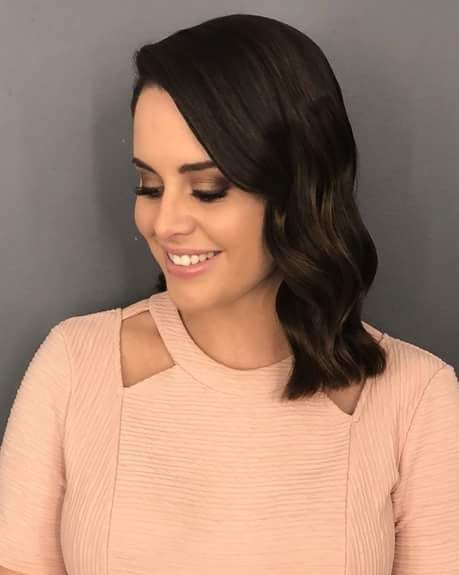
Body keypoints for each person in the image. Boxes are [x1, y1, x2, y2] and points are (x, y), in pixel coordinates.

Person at [0, 13, 458, 575]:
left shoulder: (416, 399)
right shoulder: (74, 366)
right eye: (149, 186)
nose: (165, 223)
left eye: (208, 189)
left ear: (297, 191)